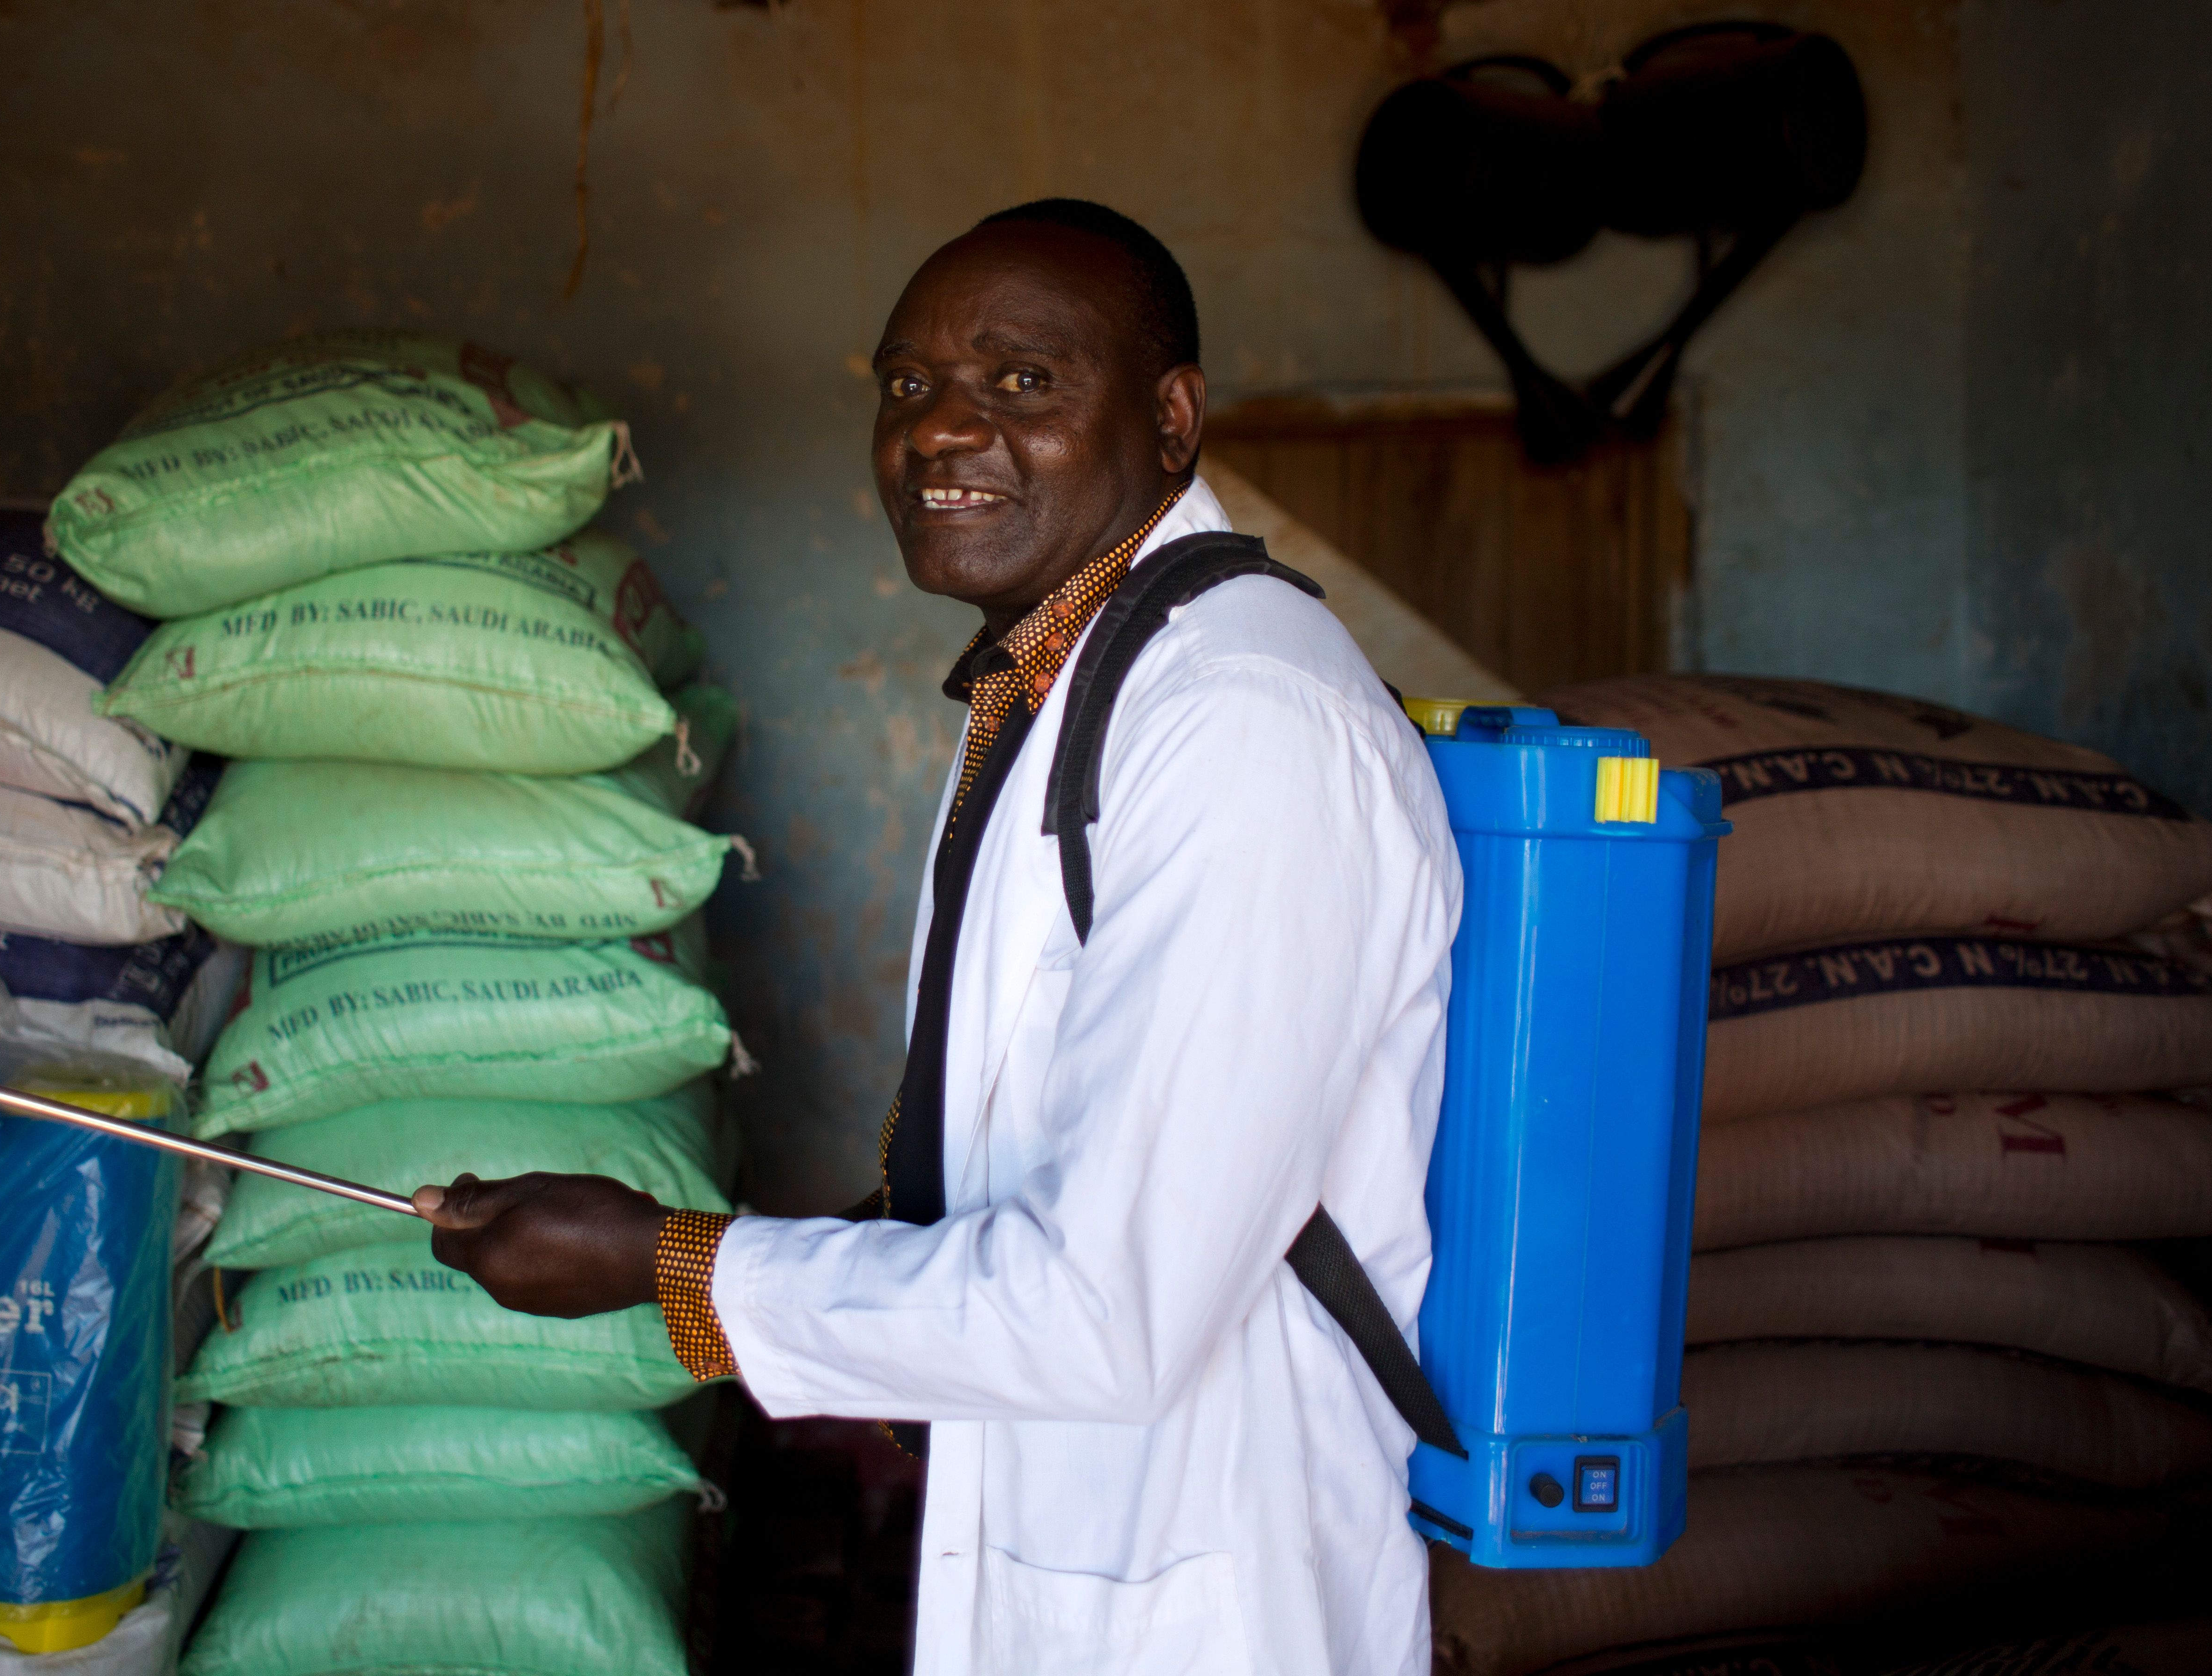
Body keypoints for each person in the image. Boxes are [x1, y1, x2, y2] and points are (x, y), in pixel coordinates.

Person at [415, 199, 1461, 1676]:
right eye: (909, 387)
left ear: (1174, 420)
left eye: (1023, 384)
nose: (940, 435)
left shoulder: (1245, 725)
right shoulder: (1075, 686)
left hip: (1214, 1594)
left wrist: (674, 1269)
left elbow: (1107, 1310)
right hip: (1078, 1557)